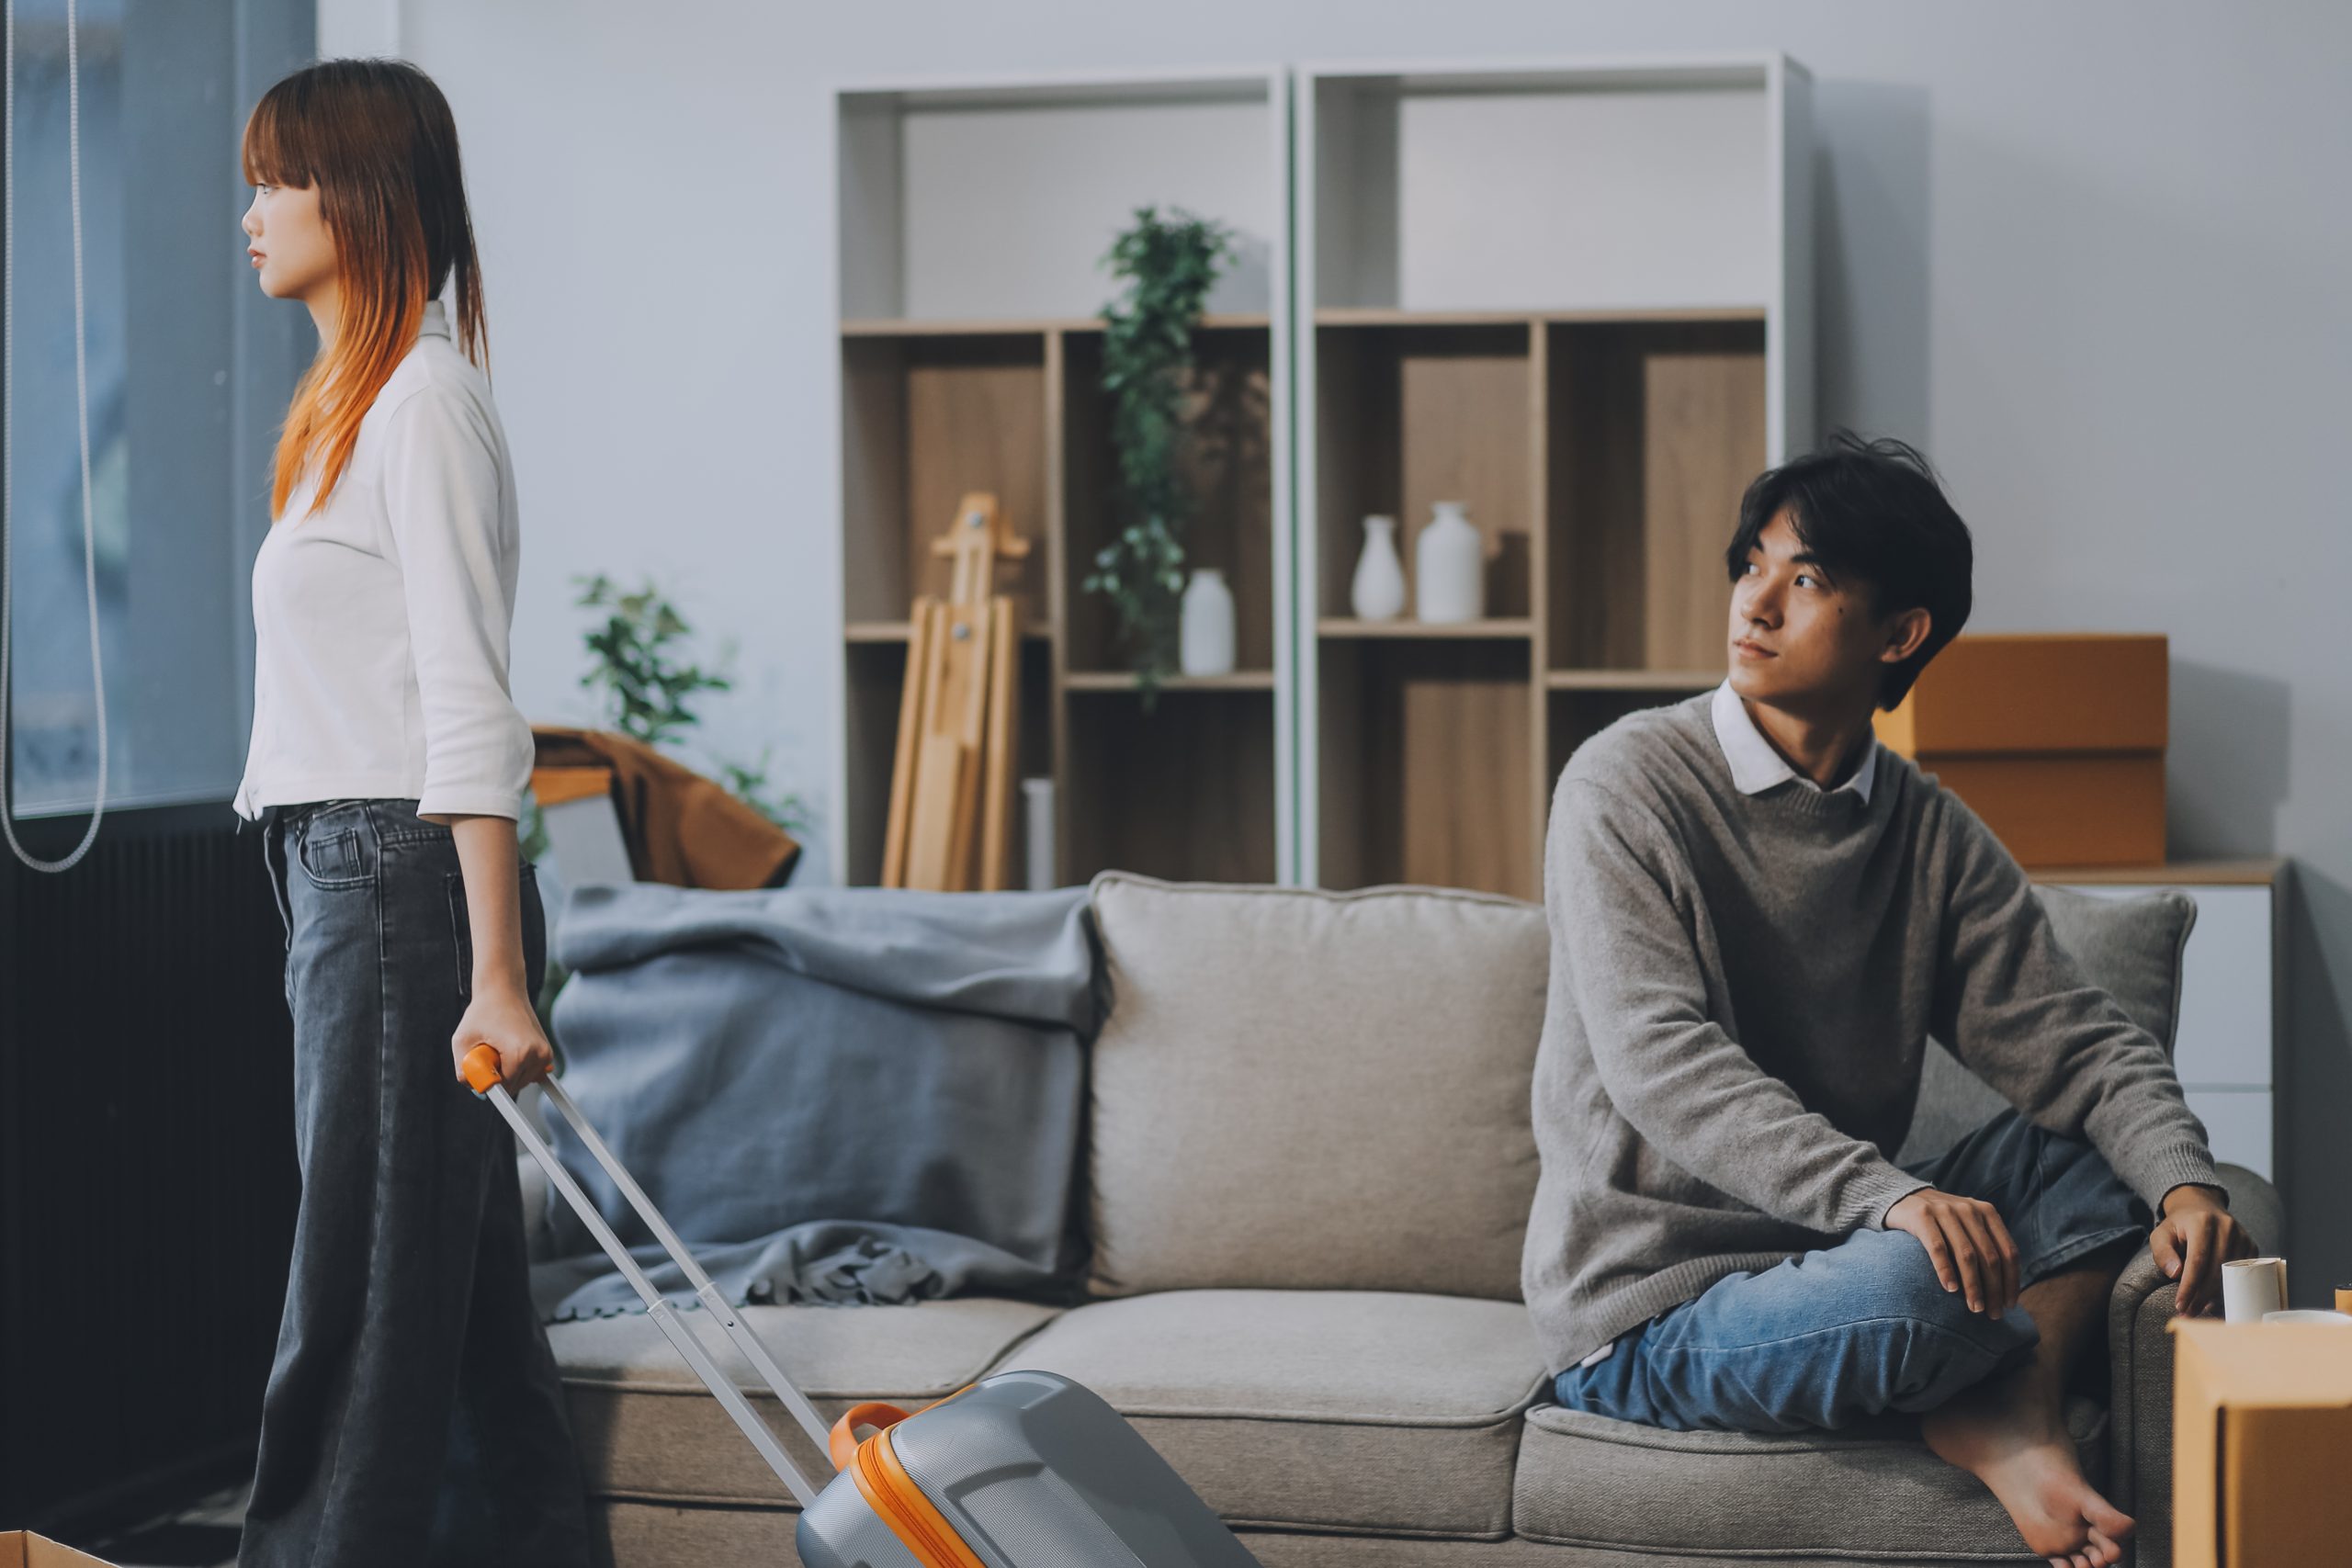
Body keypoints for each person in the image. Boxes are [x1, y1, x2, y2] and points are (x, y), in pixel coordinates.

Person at [1522, 433, 2254, 1568]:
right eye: (1751, 563)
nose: (1753, 603)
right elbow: (1659, 1059)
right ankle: (1988, 1379)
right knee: (1925, 1282)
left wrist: (2185, 1178)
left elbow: (2071, 1039)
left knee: (2098, 1158)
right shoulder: (1626, 781)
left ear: (1899, 633)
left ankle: (2014, 1404)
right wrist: (1888, 1197)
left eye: (1804, 578)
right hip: (1655, 1305)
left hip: (1837, 1248)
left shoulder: (1927, 830)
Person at [230, 58, 591, 1567]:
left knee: (364, 1310)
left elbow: (468, 699)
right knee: (463, 1312)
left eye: (276, 181)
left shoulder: (424, 404)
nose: (249, 214)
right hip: (344, 876)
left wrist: (497, 973)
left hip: (398, 884)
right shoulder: (347, 401)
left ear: (358, 197)